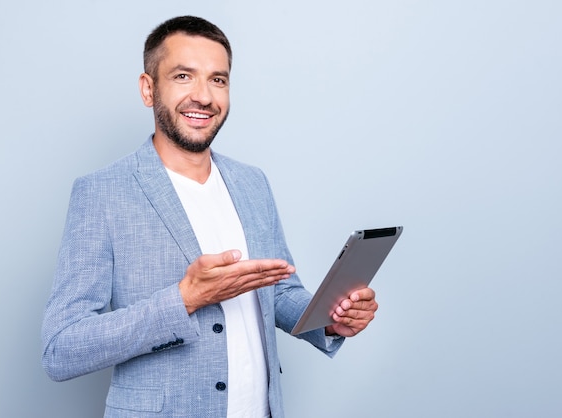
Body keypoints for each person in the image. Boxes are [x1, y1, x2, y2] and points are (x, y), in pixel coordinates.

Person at [41, 15, 378, 418]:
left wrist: (330, 319)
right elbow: (61, 348)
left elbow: (279, 292)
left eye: (218, 80)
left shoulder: (253, 183)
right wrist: (184, 300)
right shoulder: (101, 193)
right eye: (183, 76)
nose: (203, 96)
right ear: (149, 89)